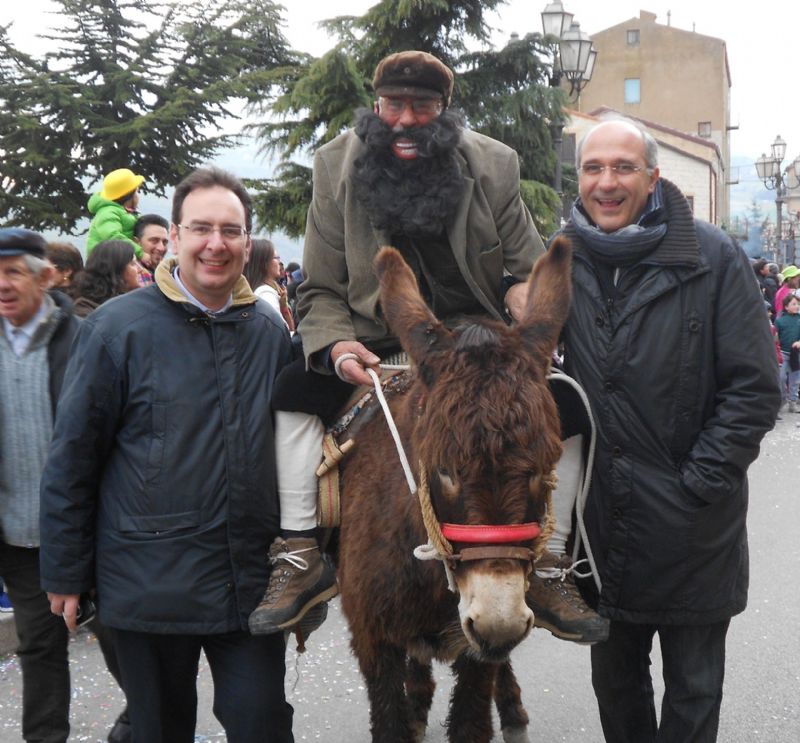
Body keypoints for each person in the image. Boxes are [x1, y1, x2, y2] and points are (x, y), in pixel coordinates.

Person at [247, 49, 609, 646]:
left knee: (567, 408)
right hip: (371, 337)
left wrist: (526, 316)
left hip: (473, 347)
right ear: (375, 108)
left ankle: (550, 563)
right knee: (291, 395)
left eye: (422, 107)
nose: (407, 121)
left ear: (443, 111)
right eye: (394, 106)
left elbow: (522, 268)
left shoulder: (495, 165)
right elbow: (321, 287)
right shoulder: (333, 166)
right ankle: (298, 550)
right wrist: (337, 346)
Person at [39, 167, 295, 743]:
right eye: (201, 228)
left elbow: (295, 442)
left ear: (246, 242)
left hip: (246, 582)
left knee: (263, 725)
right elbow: (72, 458)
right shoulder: (115, 329)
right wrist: (64, 571)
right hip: (147, 582)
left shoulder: (267, 331)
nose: (216, 243)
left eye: (231, 230)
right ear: (174, 237)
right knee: (157, 731)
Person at [558, 116, 780, 742]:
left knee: (693, 693)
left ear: (652, 177)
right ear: (579, 178)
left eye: (623, 168)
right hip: (602, 529)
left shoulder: (712, 257)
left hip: (693, 529)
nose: (607, 182)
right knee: (617, 691)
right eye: (593, 168)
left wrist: (697, 484)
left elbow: (754, 388)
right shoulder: (561, 259)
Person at [0, 227, 81, 743]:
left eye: (12, 273)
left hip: (83, 533)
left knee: (122, 644)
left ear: (45, 278)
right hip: (18, 537)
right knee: (39, 646)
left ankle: (144, 722)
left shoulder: (84, 340)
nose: (3, 285)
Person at [71, 239, 140, 317]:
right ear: (117, 270)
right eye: (133, 263)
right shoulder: (85, 310)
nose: (140, 269)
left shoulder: (137, 300)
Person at [86, 168, 145, 257]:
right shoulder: (108, 212)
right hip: (104, 265)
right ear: (128, 195)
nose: (138, 196)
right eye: (137, 192)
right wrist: (140, 253)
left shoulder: (121, 212)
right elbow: (113, 237)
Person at [242, 238, 295, 331]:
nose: (279, 262)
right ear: (264, 263)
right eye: (276, 258)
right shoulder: (266, 294)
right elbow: (279, 333)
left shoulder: (264, 291)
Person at [775, 293, 800, 411]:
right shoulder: (780, 321)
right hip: (783, 354)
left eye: (797, 304)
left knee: (795, 379)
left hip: (796, 353)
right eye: (794, 304)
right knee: (781, 377)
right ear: (786, 307)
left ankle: (793, 401)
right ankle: (782, 398)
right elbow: (775, 337)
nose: (797, 306)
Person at [133, 213, 170, 285]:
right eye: (154, 241)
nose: (161, 248)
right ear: (136, 242)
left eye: (164, 242)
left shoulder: (166, 273)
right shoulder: (134, 280)